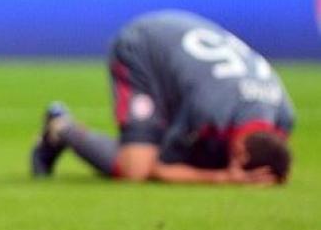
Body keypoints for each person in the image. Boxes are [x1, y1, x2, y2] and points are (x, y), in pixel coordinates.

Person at [31, 10, 294, 185]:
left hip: (186, 52)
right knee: (136, 168)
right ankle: (61, 127)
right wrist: (222, 177)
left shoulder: (285, 115)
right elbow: (159, 167)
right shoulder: (210, 110)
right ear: (239, 152)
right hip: (144, 45)